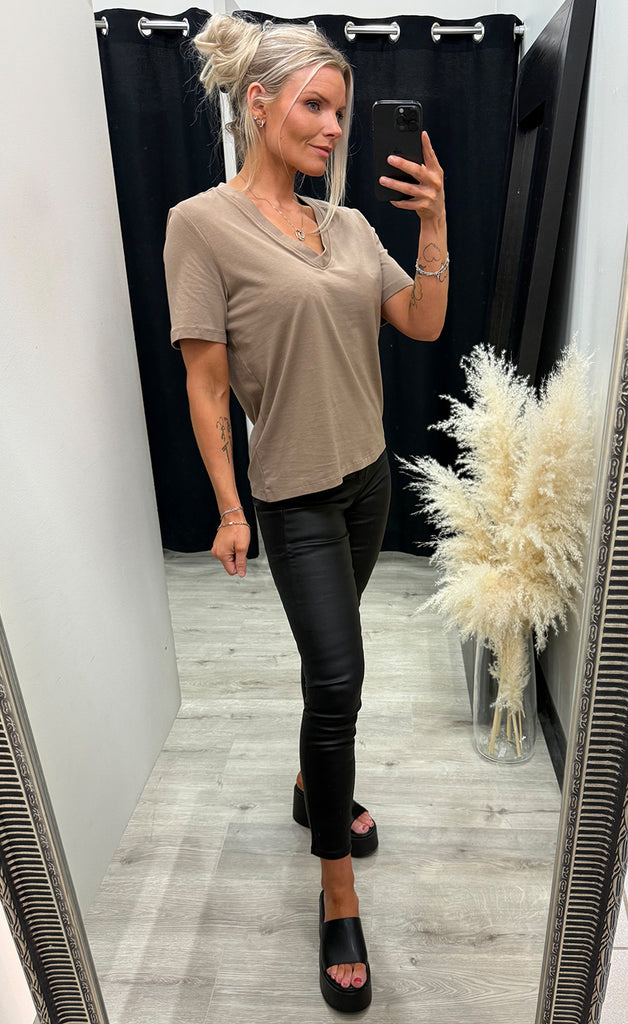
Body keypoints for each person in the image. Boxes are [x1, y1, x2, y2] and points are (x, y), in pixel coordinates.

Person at [163, 14, 448, 1012]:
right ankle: (337, 892)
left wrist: (434, 223)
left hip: (368, 481)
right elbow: (205, 385)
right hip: (291, 496)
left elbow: (421, 321)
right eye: (314, 106)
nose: (333, 127)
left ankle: (306, 789)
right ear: (258, 103)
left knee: (332, 668)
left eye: (341, 111)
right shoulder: (201, 225)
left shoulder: (350, 226)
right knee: (338, 681)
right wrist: (228, 510)